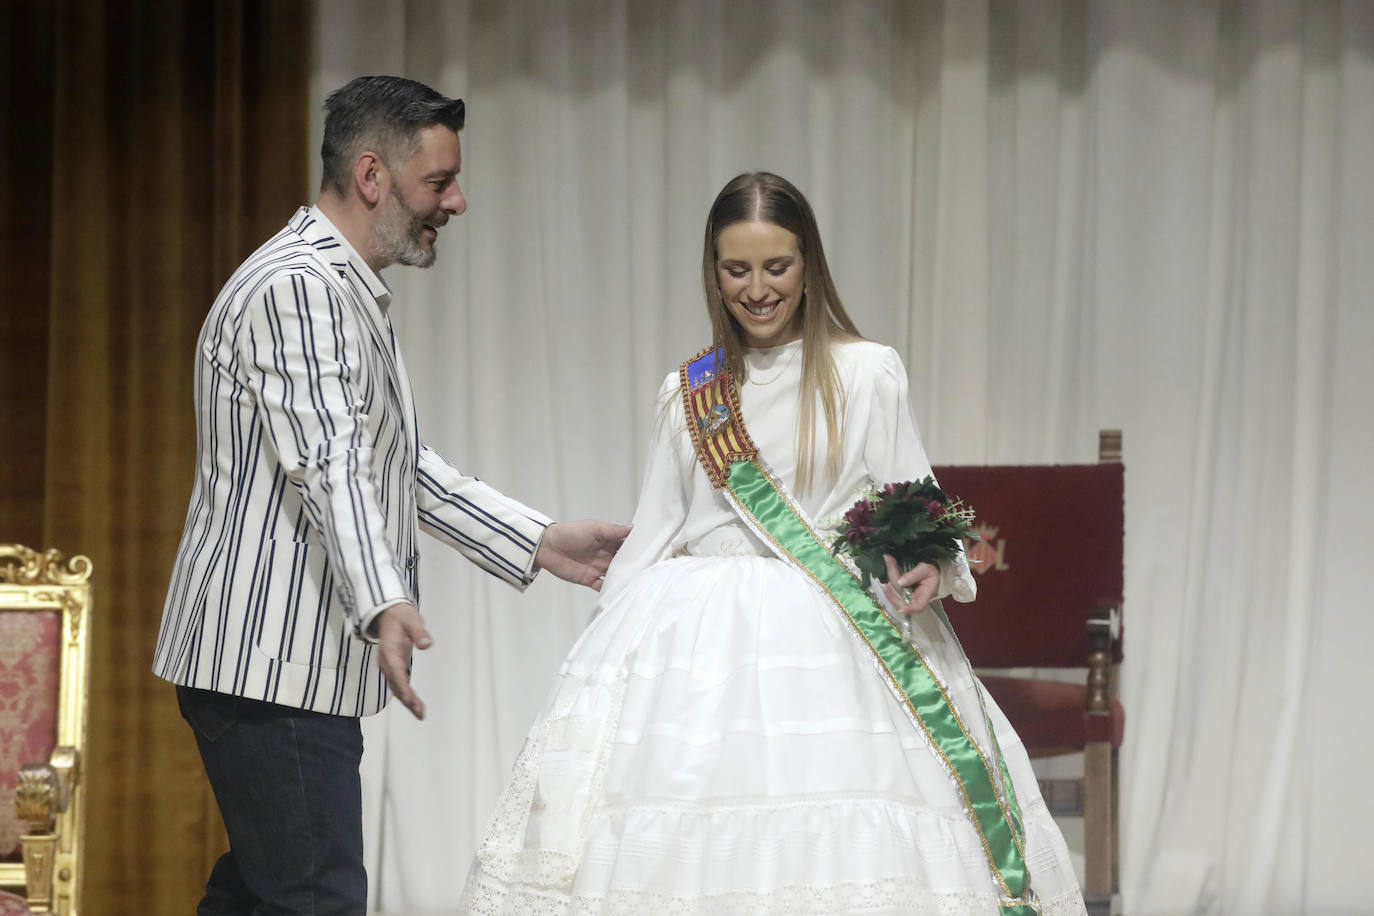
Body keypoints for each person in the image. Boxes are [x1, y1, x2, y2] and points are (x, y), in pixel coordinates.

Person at [458, 172, 1087, 915]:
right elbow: (658, 530)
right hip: (693, 657)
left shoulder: (865, 372)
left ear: (808, 264)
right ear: (713, 273)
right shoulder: (688, 390)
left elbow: (920, 510)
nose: (757, 289)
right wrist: (600, 667)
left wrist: (930, 564)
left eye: (776, 267)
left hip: (840, 641)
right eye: (737, 269)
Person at [154, 75, 630, 916]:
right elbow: (328, 460)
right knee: (315, 899)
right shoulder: (298, 287)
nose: (457, 201)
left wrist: (539, 539)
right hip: (270, 670)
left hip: (284, 668)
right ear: (373, 175)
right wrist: (383, 600)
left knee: (264, 896)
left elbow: (395, 465)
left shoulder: (337, 287)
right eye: (439, 181)